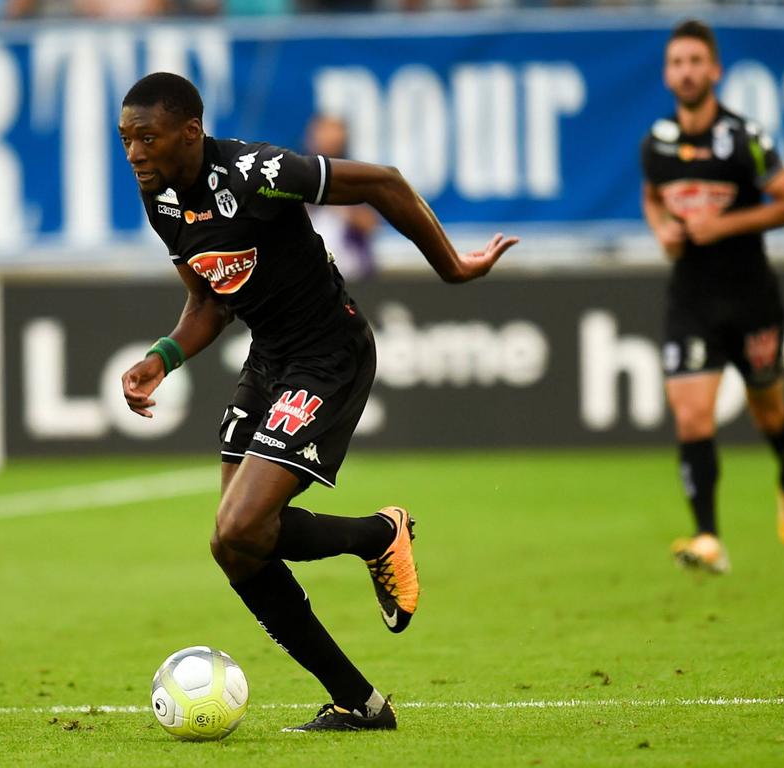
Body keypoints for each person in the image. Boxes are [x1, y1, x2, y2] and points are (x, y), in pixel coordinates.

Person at [118, 72, 517, 731]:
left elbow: (383, 182)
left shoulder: (257, 172)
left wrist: (452, 266)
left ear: (190, 132)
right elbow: (209, 299)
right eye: (126, 139)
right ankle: (359, 701)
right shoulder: (161, 200)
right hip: (269, 359)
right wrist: (162, 357)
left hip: (329, 354)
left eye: (147, 138)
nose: (133, 153)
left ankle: (378, 536)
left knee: (240, 528)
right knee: (237, 546)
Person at [640, 19, 784, 574]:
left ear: (714, 70)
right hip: (691, 300)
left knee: (769, 410)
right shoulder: (657, 143)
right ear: (667, 73)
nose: (686, 72)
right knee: (691, 419)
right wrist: (663, 227)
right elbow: (653, 197)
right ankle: (709, 536)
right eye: (677, 62)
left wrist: (728, 224)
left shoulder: (745, 139)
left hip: (750, 299)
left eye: (696, 61)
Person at [303, 114, 381, 281]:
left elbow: (371, 223)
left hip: (350, 273)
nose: (329, 137)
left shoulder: (355, 174)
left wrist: (338, 206)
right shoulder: (299, 175)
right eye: (324, 130)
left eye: (335, 131)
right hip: (310, 275)